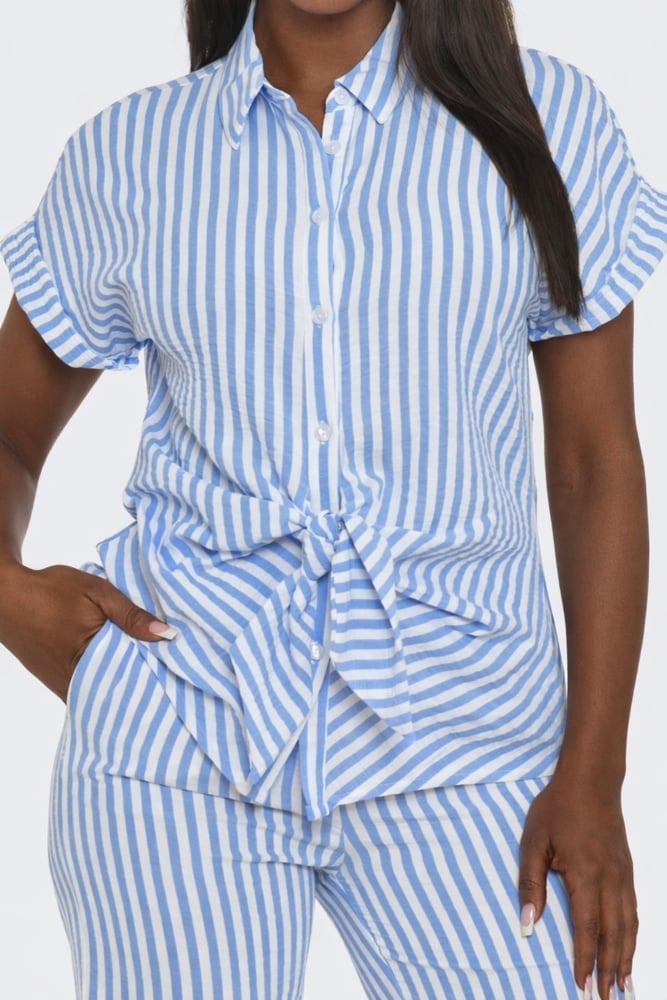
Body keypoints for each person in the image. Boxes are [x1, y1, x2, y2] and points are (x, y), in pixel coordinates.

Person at [0, 0, 665, 996]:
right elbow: (10, 434)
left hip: (469, 739)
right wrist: (10, 598)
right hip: (178, 738)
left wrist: (595, 773)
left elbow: (593, 462)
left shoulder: (543, 121)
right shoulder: (132, 153)